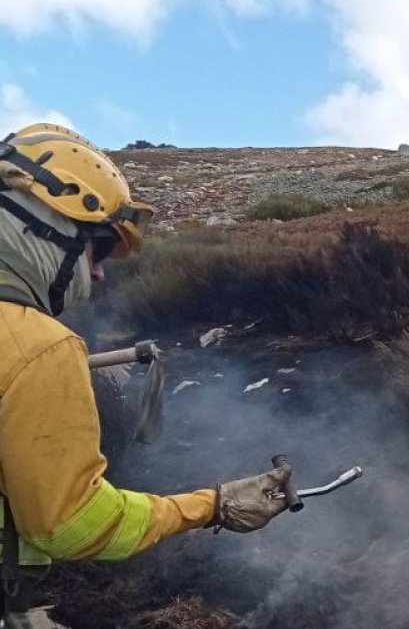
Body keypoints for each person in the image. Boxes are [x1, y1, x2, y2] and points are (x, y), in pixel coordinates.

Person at [0, 123, 291, 628]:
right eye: (98, 252)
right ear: (43, 228)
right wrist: (212, 505)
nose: (98, 275)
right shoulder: (37, 346)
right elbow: (72, 525)